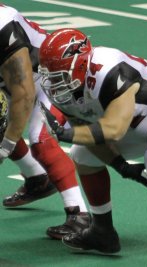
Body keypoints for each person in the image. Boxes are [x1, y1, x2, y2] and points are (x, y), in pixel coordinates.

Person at [38, 28, 147, 253]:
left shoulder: (111, 70)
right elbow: (88, 135)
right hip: (134, 124)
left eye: (59, 74)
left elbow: (114, 129)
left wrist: (63, 134)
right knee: (82, 155)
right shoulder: (64, 87)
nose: (53, 84)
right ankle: (102, 232)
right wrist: (121, 166)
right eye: (49, 75)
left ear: (79, 64)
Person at [0, 4, 90, 240]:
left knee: (42, 138)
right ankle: (37, 179)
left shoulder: (3, 26)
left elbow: (24, 93)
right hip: (11, 81)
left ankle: (79, 215)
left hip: (51, 79)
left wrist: (5, 147)